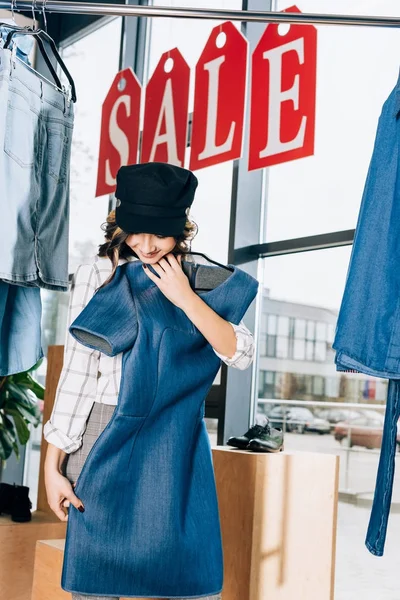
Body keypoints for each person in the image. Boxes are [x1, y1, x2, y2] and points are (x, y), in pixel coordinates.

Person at [43, 162, 257, 600]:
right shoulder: (98, 274)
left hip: (175, 440)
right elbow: (78, 376)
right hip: (101, 432)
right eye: (135, 231)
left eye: (157, 233)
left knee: (184, 578)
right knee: (95, 583)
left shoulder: (203, 278)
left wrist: (183, 297)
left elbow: (240, 353)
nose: (145, 244)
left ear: (181, 228)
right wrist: (51, 467)